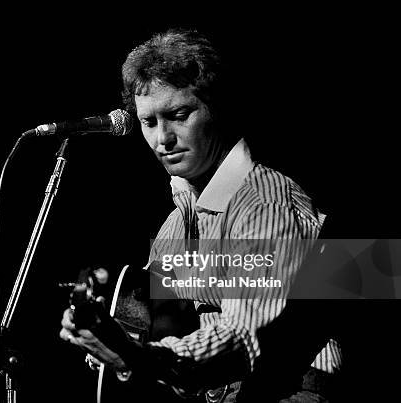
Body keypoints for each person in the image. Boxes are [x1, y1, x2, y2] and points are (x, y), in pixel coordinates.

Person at [60, 28, 341, 402]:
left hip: (288, 389)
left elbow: (243, 335)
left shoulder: (264, 202)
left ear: (216, 108)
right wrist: (110, 348)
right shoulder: (175, 226)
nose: (163, 139)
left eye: (178, 115)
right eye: (149, 122)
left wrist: (143, 356)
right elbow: (149, 333)